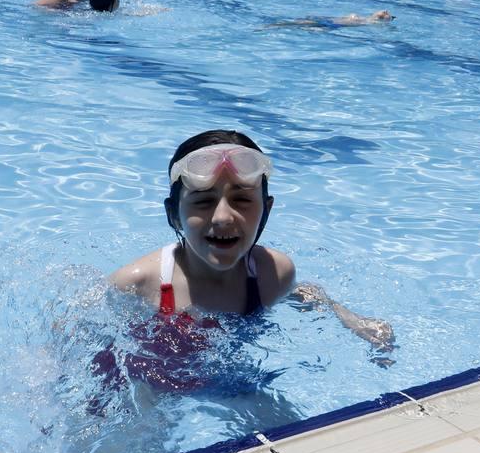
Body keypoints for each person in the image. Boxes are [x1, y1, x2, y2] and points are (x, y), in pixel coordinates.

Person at [108, 131, 392, 348]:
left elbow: (301, 291)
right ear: (174, 216)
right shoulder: (137, 284)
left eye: (242, 199)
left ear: (266, 211)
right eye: (204, 201)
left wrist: (348, 317)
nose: (223, 217)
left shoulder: (274, 274)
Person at [266, 10, 394, 28]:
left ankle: (274, 26)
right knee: (298, 23)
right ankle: (275, 25)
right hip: (331, 22)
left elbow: (382, 19)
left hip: (333, 25)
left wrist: (387, 18)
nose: (386, 11)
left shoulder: (370, 22)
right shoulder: (365, 19)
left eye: (388, 14)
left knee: (298, 24)